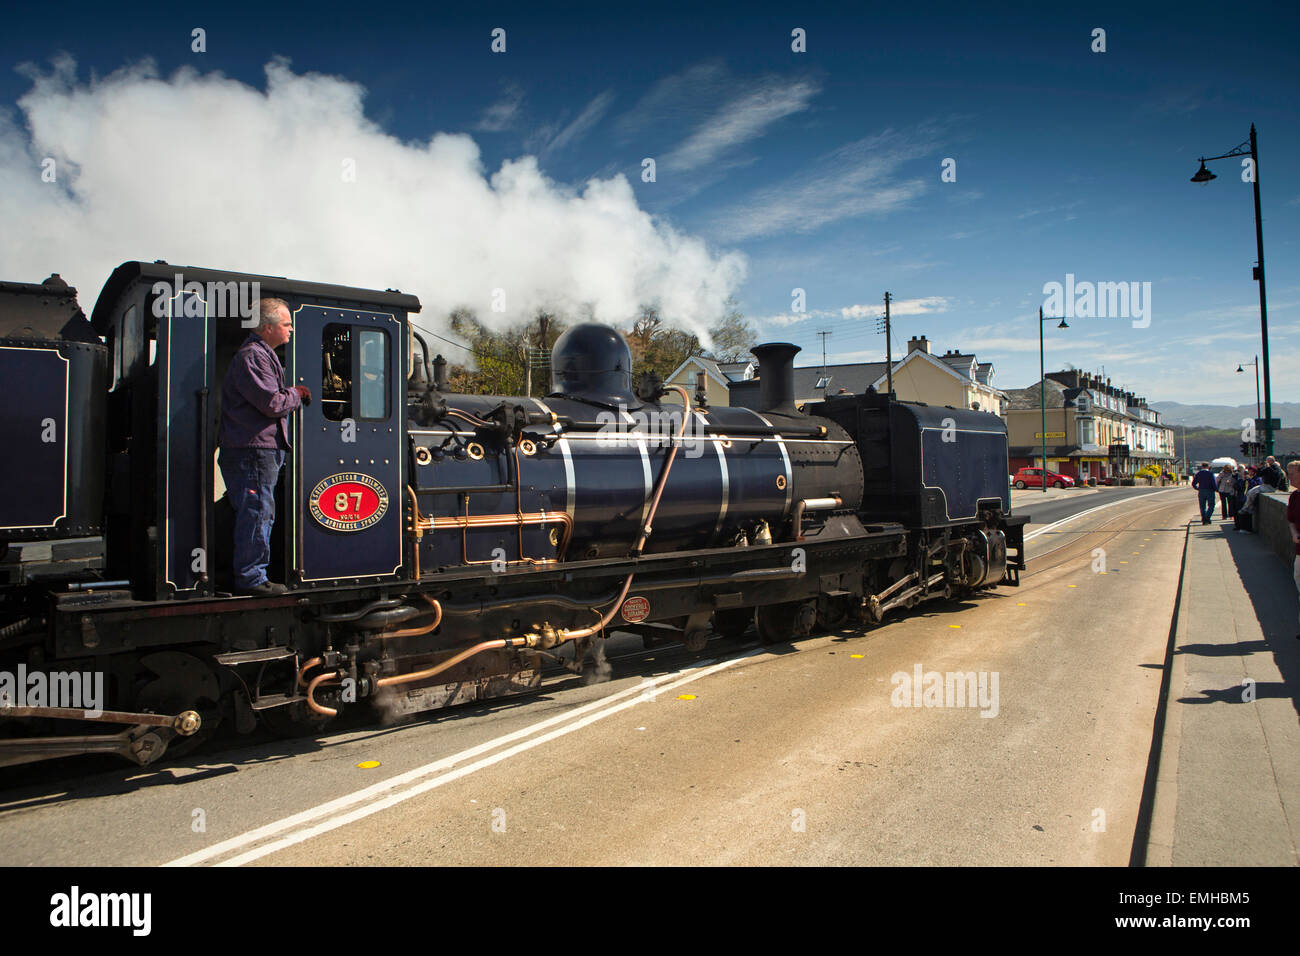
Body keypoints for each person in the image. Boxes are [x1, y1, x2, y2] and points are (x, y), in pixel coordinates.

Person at [218, 298, 310, 595]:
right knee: (258, 511)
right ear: (267, 327)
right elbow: (272, 403)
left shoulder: (261, 355)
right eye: (286, 324)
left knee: (256, 511)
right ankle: (251, 578)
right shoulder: (254, 356)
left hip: (256, 448)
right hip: (254, 450)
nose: (291, 329)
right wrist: (297, 393)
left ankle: (250, 572)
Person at [1288, 462, 1300, 639]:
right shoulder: (1295, 496)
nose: (1289, 477)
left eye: (1291, 473)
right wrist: (1294, 533)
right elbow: (1290, 519)